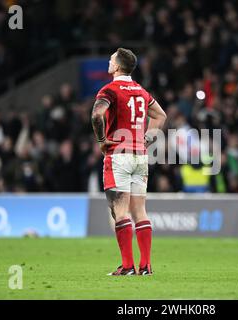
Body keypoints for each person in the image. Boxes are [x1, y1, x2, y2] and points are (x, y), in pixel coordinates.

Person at [91, 48, 167, 275]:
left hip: (118, 156)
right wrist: (147, 138)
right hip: (140, 156)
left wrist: (101, 140)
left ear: (117, 67)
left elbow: (96, 115)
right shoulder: (141, 91)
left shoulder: (110, 90)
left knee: (120, 212)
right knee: (140, 211)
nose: (109, 60)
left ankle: (127, 267)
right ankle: (146, 266)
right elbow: (160, 116)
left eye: (111, 58)